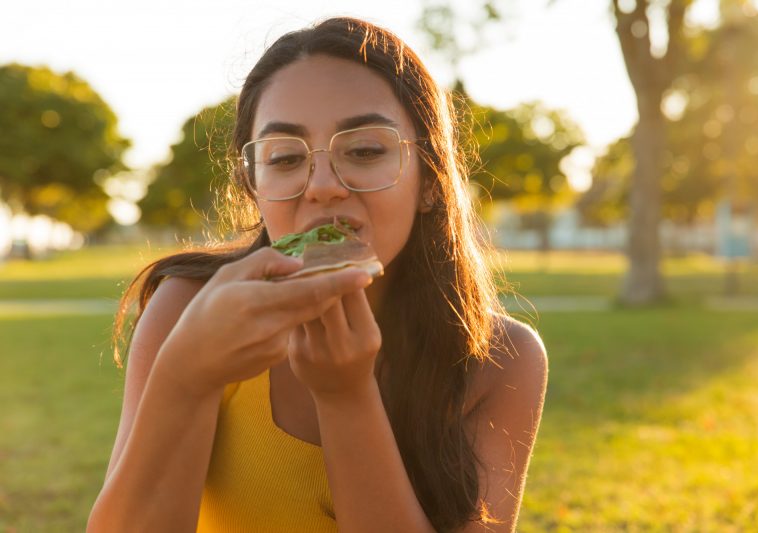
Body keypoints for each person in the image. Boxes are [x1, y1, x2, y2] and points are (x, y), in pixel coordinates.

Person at [87, 16, 547, 533]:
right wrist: (187, 372)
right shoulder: (187, 308)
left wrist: (346, 396)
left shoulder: (499, 359)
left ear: (431, 181)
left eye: (366, 151)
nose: (323, 185)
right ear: (253, 189)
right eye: (284, 157)